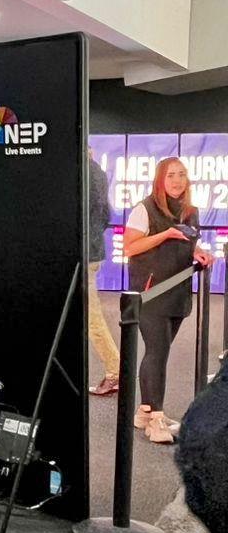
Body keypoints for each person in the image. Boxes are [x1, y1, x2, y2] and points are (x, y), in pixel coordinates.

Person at [123, 157, 211, 443]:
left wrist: (198, 253)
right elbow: (130, 247)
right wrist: (164, 235)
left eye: (181, 174)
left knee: (157, 352)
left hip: (178, 292)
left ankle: (144, 411)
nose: (177, 180)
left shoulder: (191, 211)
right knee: (157, 352)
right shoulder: (144, 208)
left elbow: (189, 243)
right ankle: (156, 420)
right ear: (160, 179)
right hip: (151, 293)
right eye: (171, 175)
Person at [88, 148, 120, 395]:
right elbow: (106, 215)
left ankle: (115, 371)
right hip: (93, 251)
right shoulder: (98, 173)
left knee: (92, 317)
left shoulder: (82, 173)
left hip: (82, 254)